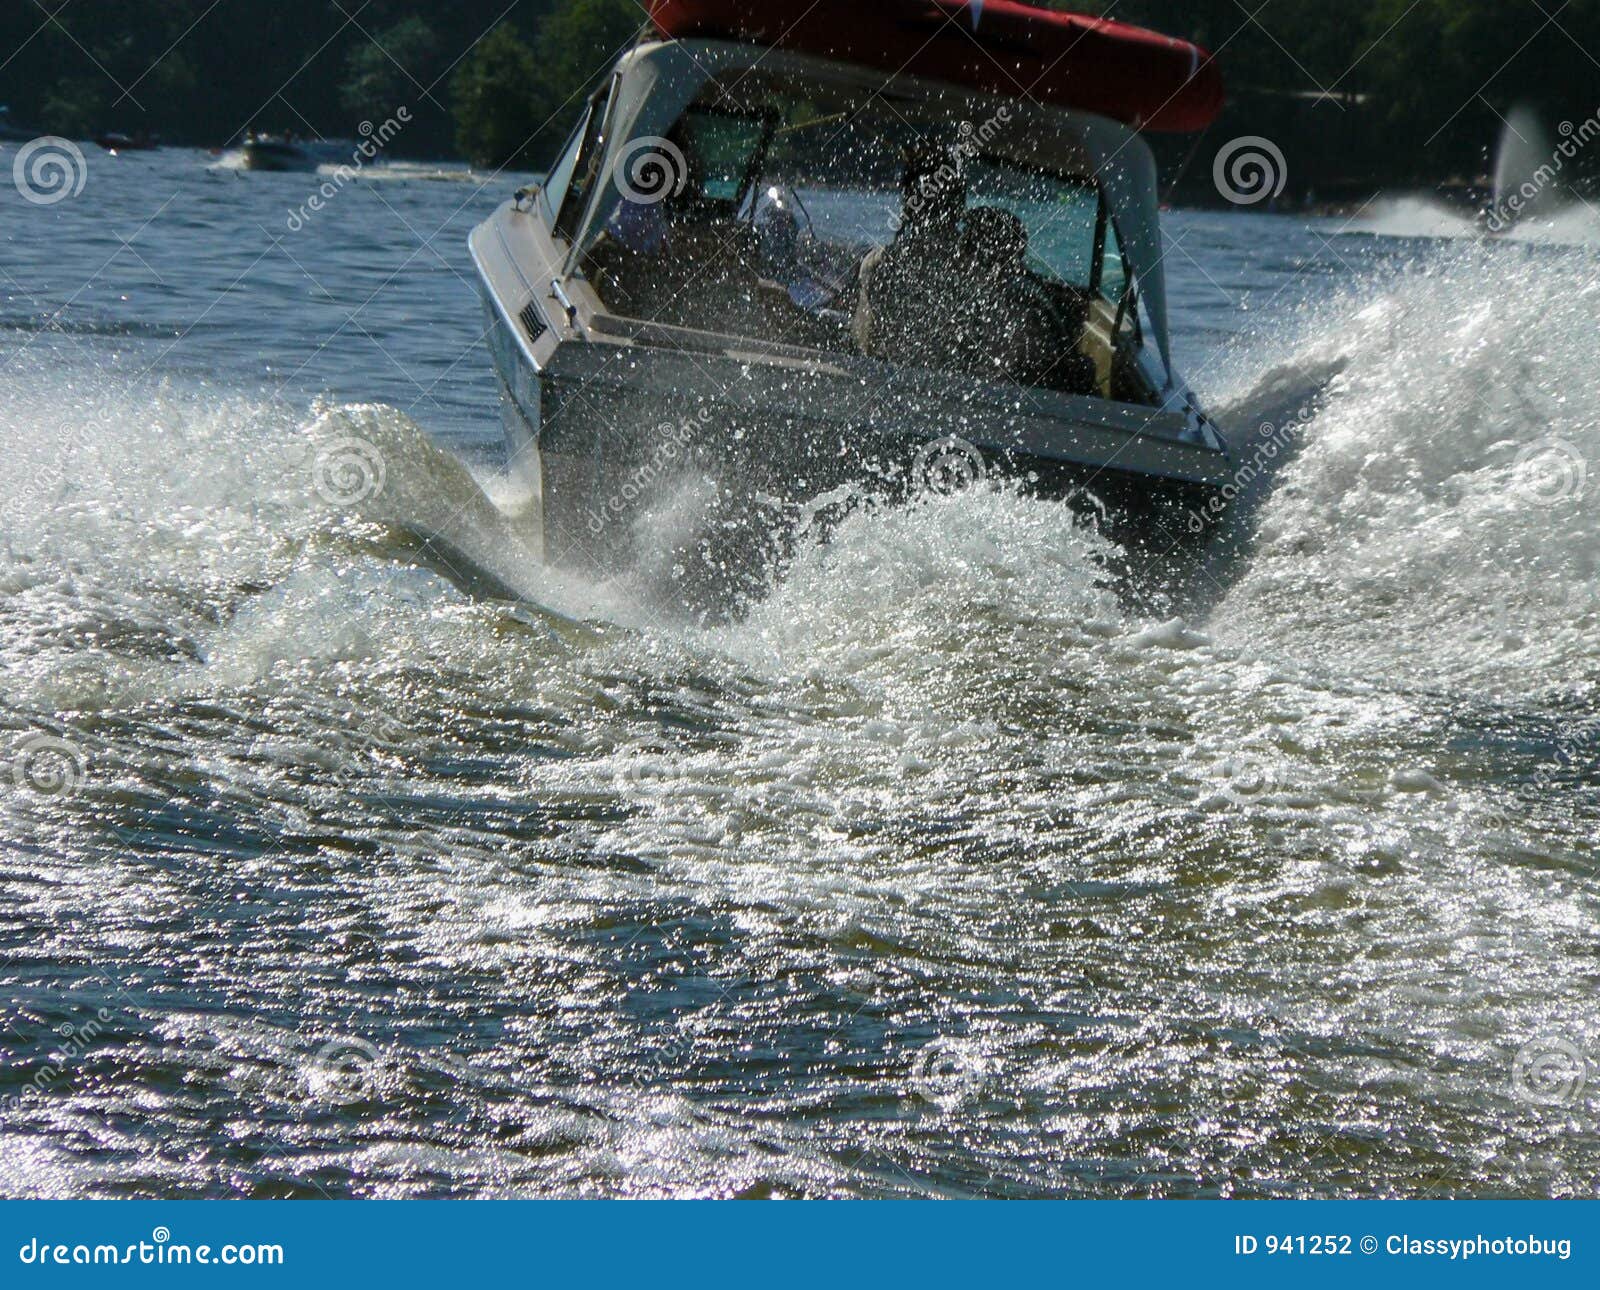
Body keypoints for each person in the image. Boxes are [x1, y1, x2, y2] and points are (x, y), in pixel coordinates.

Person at [852, 142, 969, 366]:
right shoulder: (971, 269)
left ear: (908, 203)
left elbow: (863, 342)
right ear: (958, 206)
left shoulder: (876, 264)